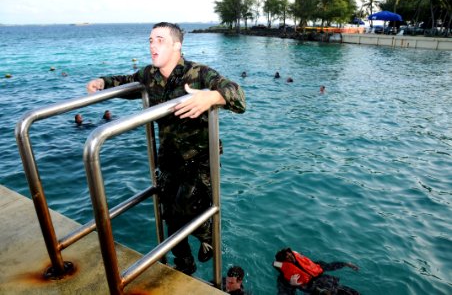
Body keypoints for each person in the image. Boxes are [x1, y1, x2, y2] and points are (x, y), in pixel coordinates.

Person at [86, 22, 246, 275]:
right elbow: (127, 81)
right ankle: (184, 263)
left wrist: (213, 97)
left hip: (200, 157)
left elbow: (237, 94)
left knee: (187, 204)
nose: (152, 45)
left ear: (176, 46)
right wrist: (102, 82)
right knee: (169, 215)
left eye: (159, 40)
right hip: (169, 158)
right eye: (150, 40)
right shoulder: (149, 75)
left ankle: (207, 236)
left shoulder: (198, 73)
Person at [273, 248, 359, 295]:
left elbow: (329, 266)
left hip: (330, 283)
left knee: (354, 293)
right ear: (283, 262)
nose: (290, 256)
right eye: (287, 257)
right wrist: (291, 285)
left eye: (290, 254)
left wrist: (346, 264)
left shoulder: (311, 264)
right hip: (315, 289)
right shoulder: (284, 278)